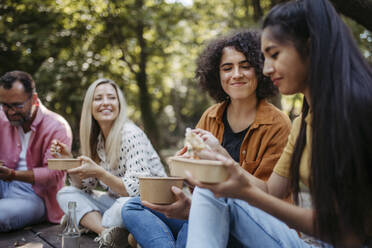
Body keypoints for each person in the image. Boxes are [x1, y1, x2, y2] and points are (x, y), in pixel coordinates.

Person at [186, 0, 372, 247]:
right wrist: (223, 160)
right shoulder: (303, 123)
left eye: (274, 54)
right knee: (207, 191)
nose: (267, 69)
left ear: (310, 47)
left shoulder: (355, 110)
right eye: (264, 58)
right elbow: (271, 191)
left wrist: (244, 193)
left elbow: (348, 235)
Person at [122, 30, 291, 248]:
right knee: (134, 206)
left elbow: (268, 197)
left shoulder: (278, 124)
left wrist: (221, 156)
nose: (236, 74)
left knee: (189, 226)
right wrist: (183, 167)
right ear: (217, 75)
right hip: (204, 208)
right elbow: (195, 183)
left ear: (259, 70)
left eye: (245, 66)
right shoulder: (211, 116)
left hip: (250, 224)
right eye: (227, 68)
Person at [51, 78, 166, 247]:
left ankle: (85, 221)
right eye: (98, 98)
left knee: (124, 206)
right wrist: (69, 162)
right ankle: (106, 233)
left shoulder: (130, 134)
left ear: (119, 103)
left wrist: (99, 172)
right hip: (116, 203)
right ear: (90, 106)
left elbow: (136, 192)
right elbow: (84, 186)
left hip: (146, 205)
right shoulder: (98, 140)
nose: (105, 103)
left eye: (111, 97)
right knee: (66, 193)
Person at [0, 70, 72, 232]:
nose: (10, 112)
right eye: (5, 105)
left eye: (18, 105)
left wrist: (12, 175)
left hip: (37, 195)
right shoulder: (2, 117)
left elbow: (54, 175)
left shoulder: (57, 127)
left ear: (34, 99)